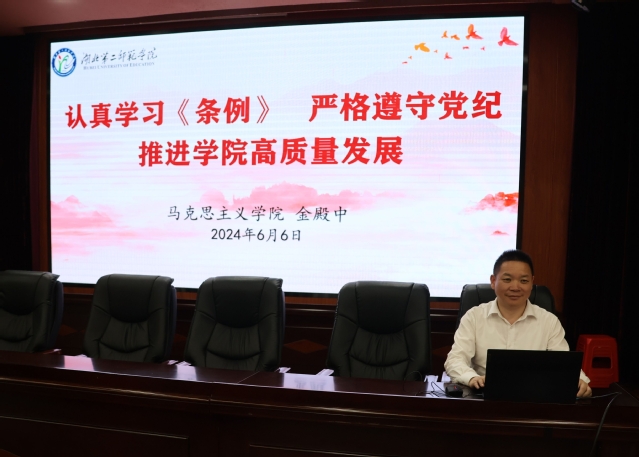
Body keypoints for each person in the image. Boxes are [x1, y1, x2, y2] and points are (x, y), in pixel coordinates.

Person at [444, 249, 592, 398]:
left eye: (524, 281)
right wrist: (472, 378)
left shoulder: (549, 321)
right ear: (493, 281)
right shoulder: (474, 317)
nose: (515, 287)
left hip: (535, 398)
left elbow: (564, 363)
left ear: (532, 282)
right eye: (507, 279)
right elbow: (455, 359)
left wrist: (579, 380)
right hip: (484, 397)